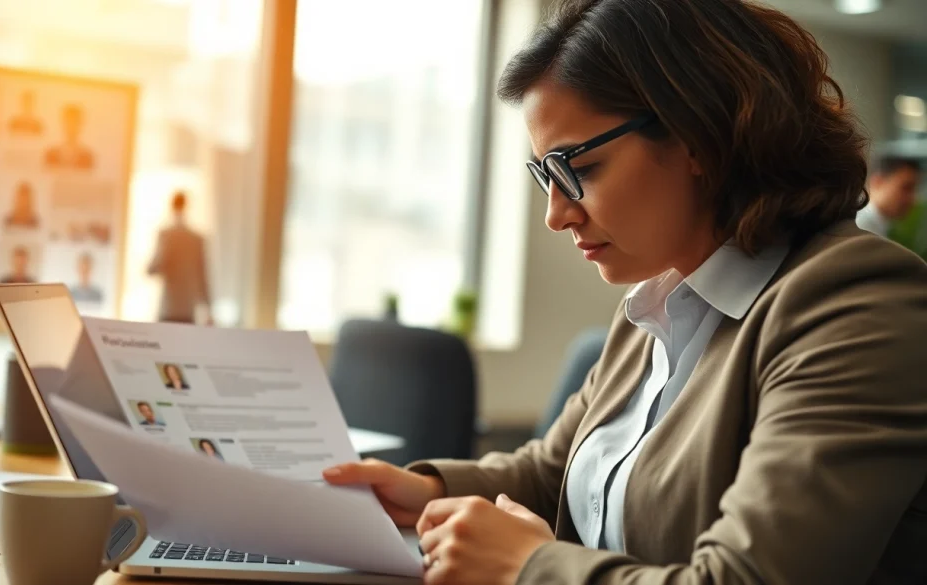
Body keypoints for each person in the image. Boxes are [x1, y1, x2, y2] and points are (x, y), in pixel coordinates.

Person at [320, 2, 927, 585]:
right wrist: (427, 490)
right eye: (544, 176)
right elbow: (555, 470)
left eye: (576, 169)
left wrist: (528, 568)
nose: (556, 216)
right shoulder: (657, 301)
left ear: (698, 136)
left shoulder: (856, 306)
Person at [147, 191, 213, 324]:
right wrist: (208, 310)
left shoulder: (166, 234)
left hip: (169, 308)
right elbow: (203, 277)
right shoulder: (196, 238)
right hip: (187, 309)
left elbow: (152, 269)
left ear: (171, 206)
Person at [855, 155, 926, 259]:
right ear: (878, 182)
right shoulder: (860, 228)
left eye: (914, 190)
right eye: (906, 187)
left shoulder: (877, 228)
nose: (912, 199)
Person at [44, 104, 94, 170]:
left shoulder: (87, 156)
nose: (71, 127)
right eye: (68, 123)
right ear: (62, 124)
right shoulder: (51, 154)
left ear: (81, 125)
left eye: (75, 123)